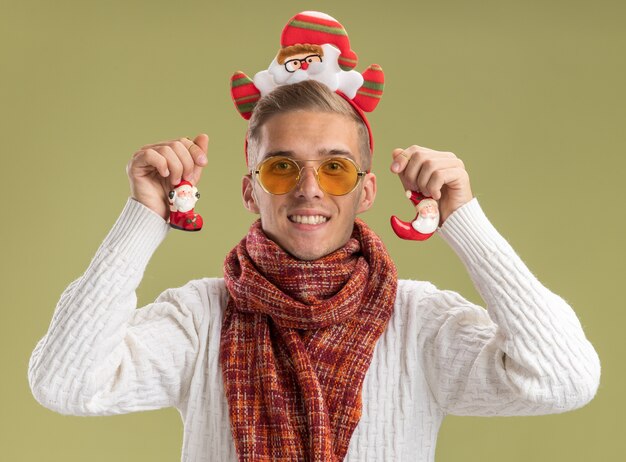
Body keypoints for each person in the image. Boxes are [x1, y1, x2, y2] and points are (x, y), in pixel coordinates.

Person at [28, 79, 600, 462]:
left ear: (366, 190)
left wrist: (464, 220)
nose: (308, 188)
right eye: (282, 167)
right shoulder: (202, 317)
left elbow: (564, 379)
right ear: (250, 190)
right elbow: (67, 383)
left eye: (335, 167)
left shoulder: (419, 320)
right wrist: (144, 216)